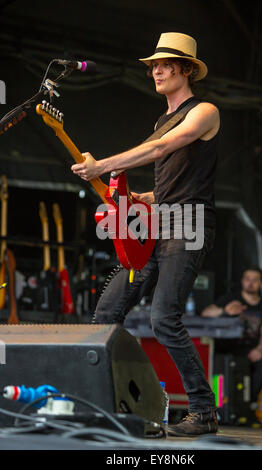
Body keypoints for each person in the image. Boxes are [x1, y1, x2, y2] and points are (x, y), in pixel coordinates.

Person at [71, 32, 220, 437]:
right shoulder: (160, 121)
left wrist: (103, 165)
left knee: (163, 319)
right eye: (152, 65)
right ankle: (121, 402)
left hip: (188, 224)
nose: (155, 70)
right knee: (107, 313)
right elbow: (168, 178)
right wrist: (142, 196)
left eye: (164, 64)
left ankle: (204, 411)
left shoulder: (204, 111)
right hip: (159, 222)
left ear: (186, 69)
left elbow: (159, 150)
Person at [202, 266, 262, 420]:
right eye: (247, 279)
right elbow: (206, 313)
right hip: (226, 349)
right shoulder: (231, 299)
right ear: (242, 281)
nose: (250, 283)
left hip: (250, 350)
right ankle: (219, 410)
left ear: (261, 283)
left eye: (255, 280)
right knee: (218, 372)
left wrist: (260, 350)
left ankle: (247, 406)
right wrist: (225, 311)